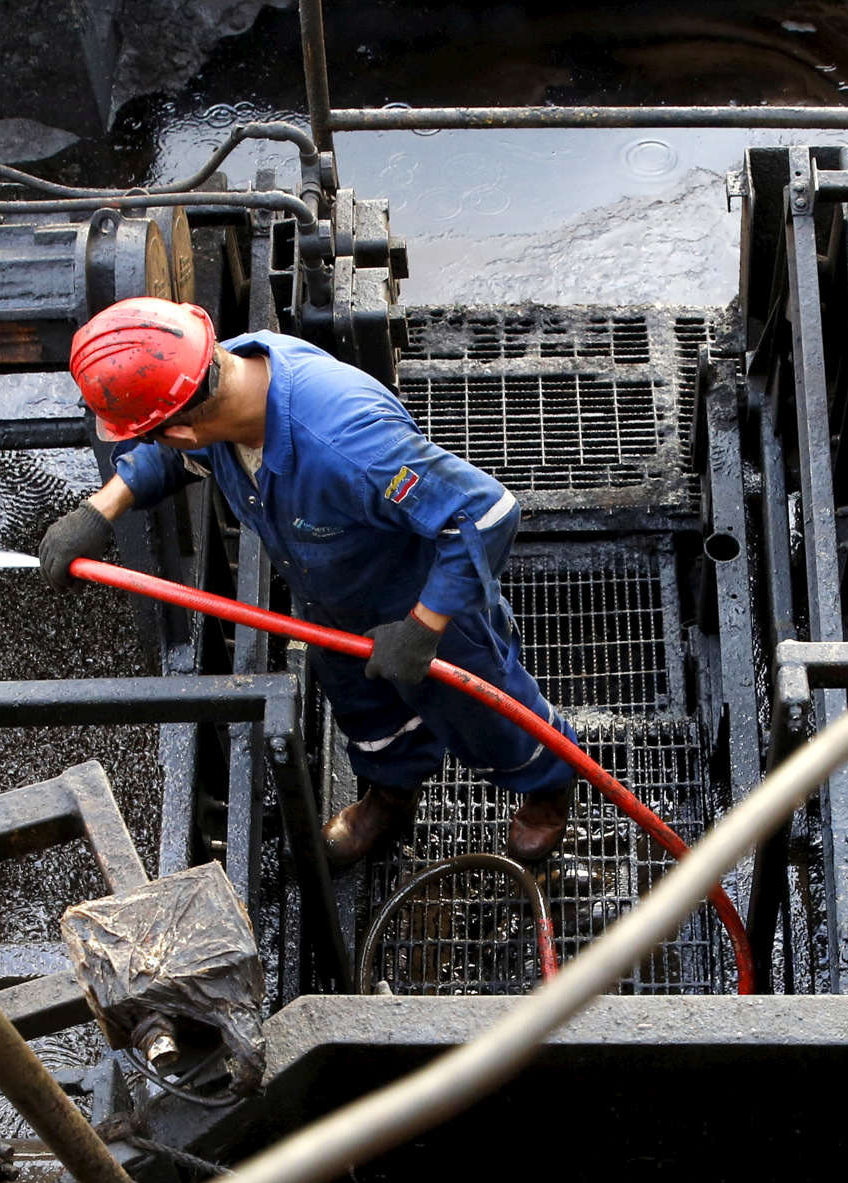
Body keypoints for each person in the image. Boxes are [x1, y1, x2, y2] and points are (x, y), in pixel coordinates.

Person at [38, 297, 580, 867]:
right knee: (368, 713)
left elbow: (487, 512)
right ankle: (390, 797)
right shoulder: (223, 386)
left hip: (428, 612)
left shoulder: (347, 444)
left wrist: (423, 628)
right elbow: (175, 458)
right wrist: (101, 509)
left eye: (153, 434)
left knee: (488, 717)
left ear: (179, 427)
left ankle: (545, 793)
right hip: (332, 605)